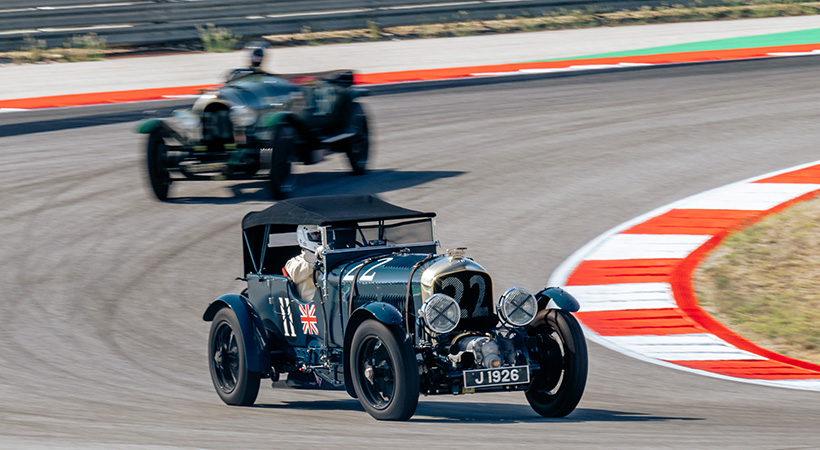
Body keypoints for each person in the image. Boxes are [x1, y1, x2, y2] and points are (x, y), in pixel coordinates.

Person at [284, 225, 322, 301]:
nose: (321, 239)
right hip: (310, 306)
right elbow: (297, 274)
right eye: (316, 236)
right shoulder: (294, 262)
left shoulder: (330, 256)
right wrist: (316, 257)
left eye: (322, 236)